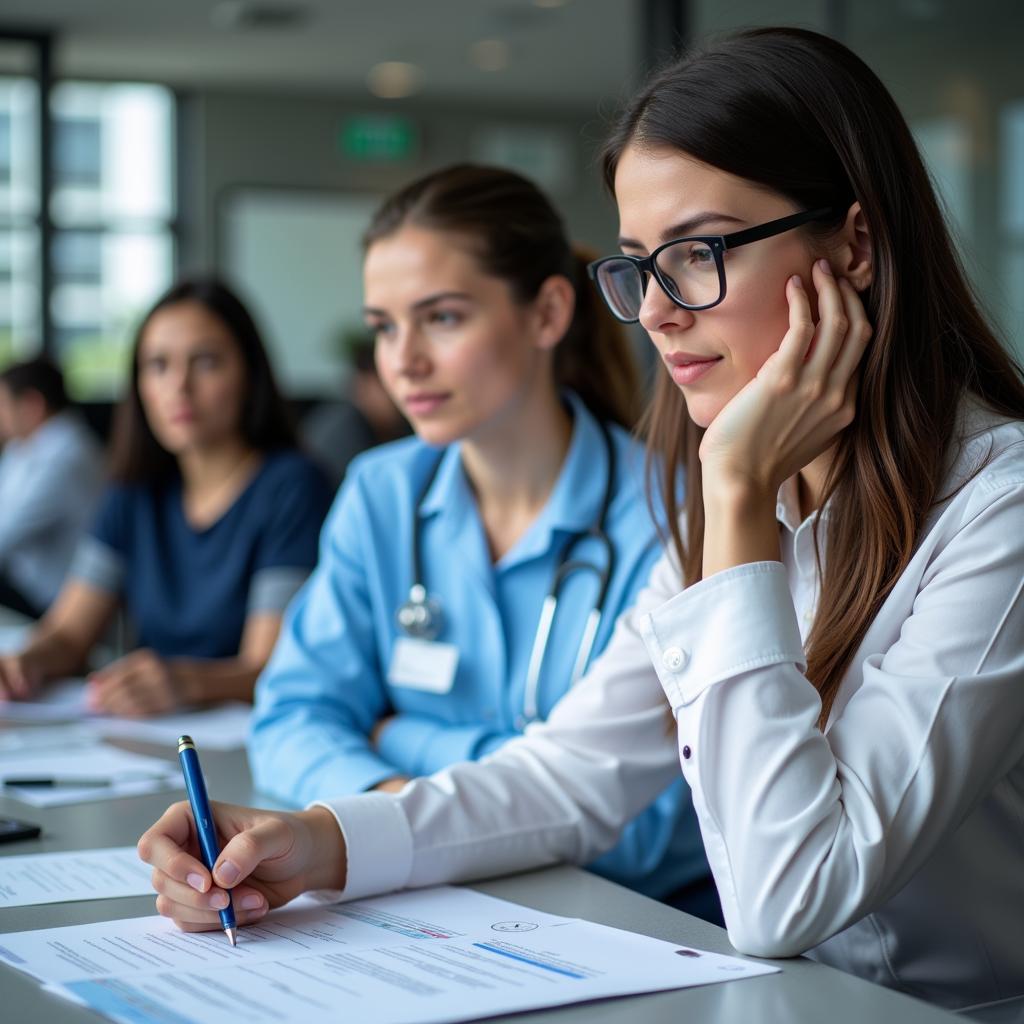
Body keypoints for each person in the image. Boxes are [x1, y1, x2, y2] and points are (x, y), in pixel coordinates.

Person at [138, 29, 1024, 1010]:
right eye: (642, 266)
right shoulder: (757, 493)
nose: (655, 312)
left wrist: (729, 495)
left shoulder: (996, 510)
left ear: (853, 245)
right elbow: (571, 774)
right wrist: (319, 842)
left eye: (696, 254)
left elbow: (783, 898)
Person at [247, 164, 711, 908]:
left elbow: (646, 824)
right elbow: (290, 717)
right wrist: (386, 805)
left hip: (627, 920)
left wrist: (403, 748)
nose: (403, 361)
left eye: (443, 318)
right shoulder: (382, 493)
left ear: (548, 314)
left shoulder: (673, 514)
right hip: (420, 912)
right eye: (384, 328)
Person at [0, 277, 332, 716]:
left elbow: (269, 667)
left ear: (250, 374)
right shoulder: (135, 490)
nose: (179, 386)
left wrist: (185, 682)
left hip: (246, 746)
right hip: (144, 739)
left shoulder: (291, 487)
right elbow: (68, 633)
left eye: (206, 362)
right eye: (158, 365)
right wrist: (26, 662)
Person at [0, 357, 103, 617]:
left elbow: (5, 536)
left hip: (54, 603)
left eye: (3, 404)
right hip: (23, 582)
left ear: (32, 405)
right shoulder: (24, 445)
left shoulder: (65, 459)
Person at [301, 336, 409, 489]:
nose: (403, 391)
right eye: (387, 384)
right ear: (362, 385)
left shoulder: (393, 427)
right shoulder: (345, 430)